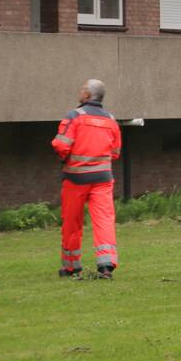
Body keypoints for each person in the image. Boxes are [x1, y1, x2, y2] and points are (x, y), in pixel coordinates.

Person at [52, 79, 122, 279]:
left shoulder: (75, 116)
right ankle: (106, 265)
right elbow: (115, 152)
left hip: (75, 179)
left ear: (86, 95)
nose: (80, 91)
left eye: (82, 88)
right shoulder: (111, 120)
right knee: (104, 220)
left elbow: (60, 145)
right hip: (103, 178)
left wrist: (65, 159)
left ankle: (71, 267)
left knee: (72, 222)